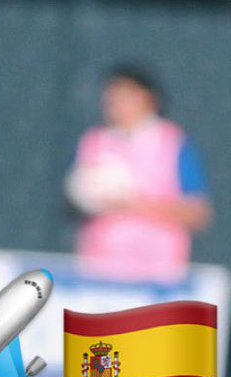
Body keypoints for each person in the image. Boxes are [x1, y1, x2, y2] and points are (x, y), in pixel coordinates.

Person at [65, 64, 212, 284]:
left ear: (148, 99)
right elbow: (78, 197)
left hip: (158, 274)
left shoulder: (173, 142)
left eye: (125, 96)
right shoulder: (93, 141)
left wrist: (130, 205)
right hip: (100, 270)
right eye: (111, 96)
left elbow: (198, 213)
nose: (115, 103)